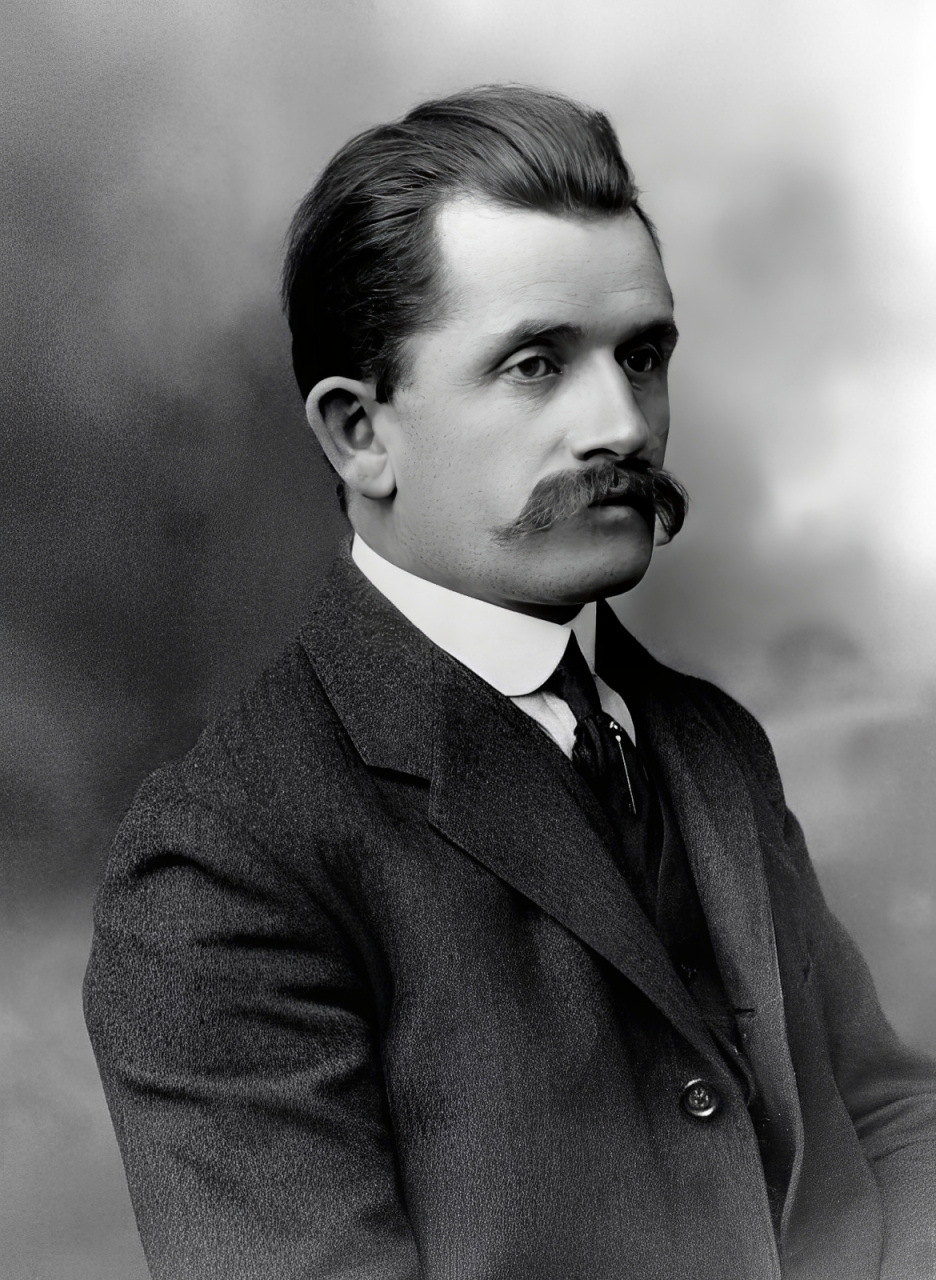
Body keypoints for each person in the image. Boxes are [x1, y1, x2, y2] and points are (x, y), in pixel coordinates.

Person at [84, 85, 936, 1280]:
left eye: (642, 354)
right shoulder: (227, 862)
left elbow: (892, 1115)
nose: (623, 425)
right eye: (537, 363)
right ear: (358, 433)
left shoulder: (711, 741)